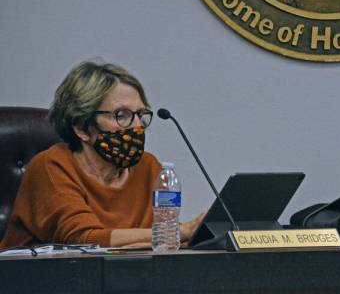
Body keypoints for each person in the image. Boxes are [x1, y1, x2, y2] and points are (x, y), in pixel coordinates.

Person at [0, 61, 205, 248]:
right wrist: (181, 231)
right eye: (121, 115)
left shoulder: (148, 167)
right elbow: (84, 240)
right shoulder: (50, 167)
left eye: (140, 115)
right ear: (81, 128)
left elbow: (159, 243)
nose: (137, 127)